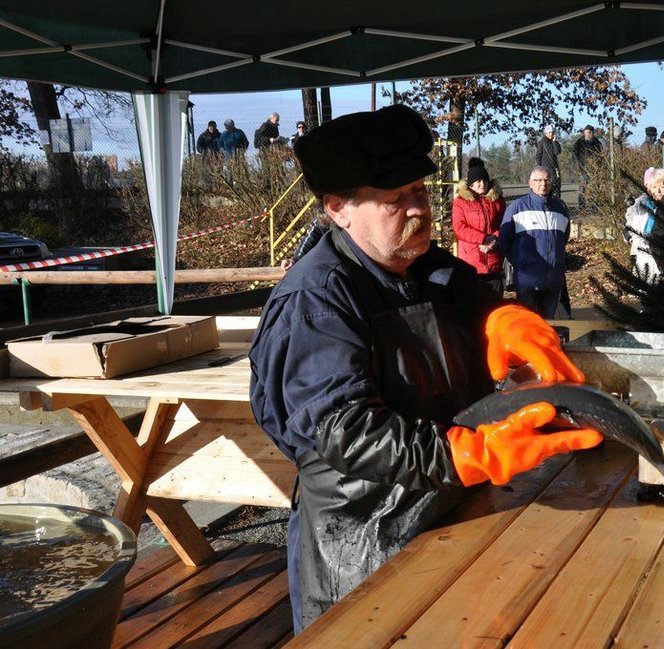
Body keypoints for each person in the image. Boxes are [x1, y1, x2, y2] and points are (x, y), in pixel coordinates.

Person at [249, 104, 601, 634]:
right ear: (338, 208)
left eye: (419, 192)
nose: (419, 211)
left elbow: (475, 303)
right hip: (363, 542)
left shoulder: (431, 267)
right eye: (395, 200)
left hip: (449, 515)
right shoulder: (317, 299)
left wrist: (506, 319)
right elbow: (344, 431)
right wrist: (464, 452)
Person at [498, 166, 572, 318]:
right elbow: (504, 241)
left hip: (553, 278)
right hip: (527, 280)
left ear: (551, 183)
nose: (543, 184)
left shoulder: (560, 208)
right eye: (538, 180)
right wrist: (521, 263)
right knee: (527, 324)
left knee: (548, 325)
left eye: (547, 180)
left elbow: (563, 239)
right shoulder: (517, 207)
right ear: (530, 183)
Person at [452, 157, 506, 293]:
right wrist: (483, 239)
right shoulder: (460, 202)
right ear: (470, 185)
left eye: (485, 180)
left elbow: (506, 224)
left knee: (495, 306)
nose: (483, 184)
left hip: (494, 261)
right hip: (470, 263)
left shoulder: (497, 201)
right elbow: (459, 228)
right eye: (478, 181)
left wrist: (494, 239)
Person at [624, 167, 664, 279]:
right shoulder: (638, 208)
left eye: (662, 186)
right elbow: (632, 231)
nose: (658, 191)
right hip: (645, 260)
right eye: (654, 187)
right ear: (648, 189)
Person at [572, 125, 603, 208]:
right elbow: (575, 155)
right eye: (589, 132)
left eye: (592, 132)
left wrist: (599, 165)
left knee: (595, 188)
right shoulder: (579, 143)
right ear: (584, 133)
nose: (591, 134)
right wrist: (578, 166)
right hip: (583, 168)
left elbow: (601, 154)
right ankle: (581, 206)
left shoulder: (596, 142)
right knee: (583, 187)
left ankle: (595, 206)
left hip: (595, 168)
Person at [535, 124, 562, 198]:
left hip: (554, 169)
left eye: (552, 132)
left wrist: (554, 142)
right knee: (547, 188)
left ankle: (556, 203)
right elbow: (538, 156)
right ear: (545, 133)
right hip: (545, 168)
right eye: (549, 132)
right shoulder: (542, 143)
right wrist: (539, 168)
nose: (551, 134)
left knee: (556, 187)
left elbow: (557, 152)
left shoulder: (555, 142)